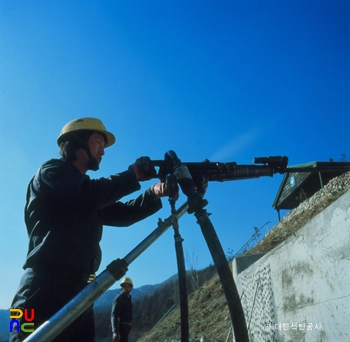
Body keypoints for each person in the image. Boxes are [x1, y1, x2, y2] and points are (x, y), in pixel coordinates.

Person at [9, 117, 176, 342]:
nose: (103, 152)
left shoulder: (87, 195)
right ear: (77, 142)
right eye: (99, 142)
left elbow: (123, 214)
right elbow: (89, 194)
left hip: (81, 292)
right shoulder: (51, 171)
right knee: (21, 336)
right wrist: (132, 175)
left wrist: (153, 193)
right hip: (39, 289)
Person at [111, 277, 134, 342]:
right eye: (125, 286)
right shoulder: (119, 299)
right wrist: (115, 331)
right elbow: (114, 315)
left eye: (128, 286)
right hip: (121, 328)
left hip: (128, 328)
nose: (126, 288)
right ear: (122, 287)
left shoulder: (129, 298)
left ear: (131, 287)